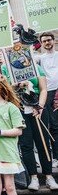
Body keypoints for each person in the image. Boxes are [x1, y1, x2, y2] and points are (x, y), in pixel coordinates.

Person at [2, 57, 58, 190]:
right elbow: (4, 89)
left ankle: (49, 176)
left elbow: (43, 89)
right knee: (25, 143)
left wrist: (40, 106)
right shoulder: (6, 68)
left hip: (37, 107)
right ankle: (33, 176)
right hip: (19, 108)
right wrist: (15, 86)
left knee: (43, 142)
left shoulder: (36, 67)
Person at [37, 32, 58, 167]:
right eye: (44, 41)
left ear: (54, 40)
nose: (47, 43)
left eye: (49, 40)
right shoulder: (40, 58)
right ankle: (55, 157)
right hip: (48, 92)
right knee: (53, 125)